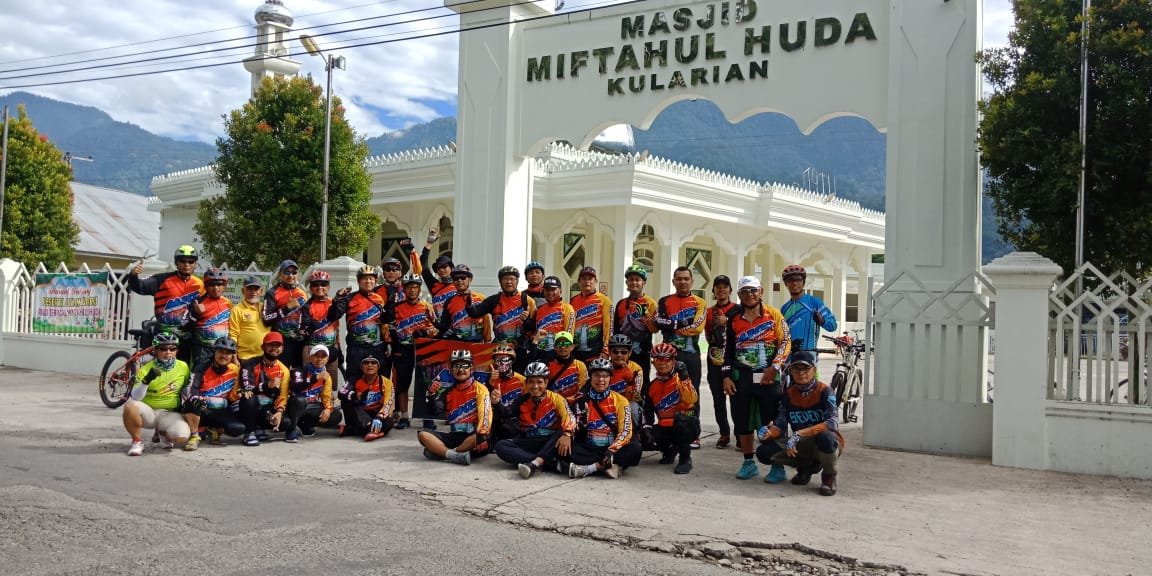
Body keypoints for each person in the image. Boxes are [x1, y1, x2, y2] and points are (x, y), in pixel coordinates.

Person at [721, 276, 791, 482]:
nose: (749, 295)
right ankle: (748, 462)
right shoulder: (733, 317)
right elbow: (728, 349)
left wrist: (775, 366)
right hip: (741, 375)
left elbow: (785, 341)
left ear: (761, 291)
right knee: (741, 419)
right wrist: (725, 376)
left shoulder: (774, 314)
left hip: (766, 375)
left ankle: (778, 466)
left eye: (753, 291)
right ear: (739, 295)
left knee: (772, 419)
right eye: (745, 291)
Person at [755, 351, 842, 496]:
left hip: (823, 441)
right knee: (763, 452)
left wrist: (800, 433)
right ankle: (805, 466)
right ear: (791, 372)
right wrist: (769, 432)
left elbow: (832, 423)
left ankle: (828, 476)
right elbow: (780, 425)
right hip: (800, 443)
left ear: (814, 370)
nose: (801, 373)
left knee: (827, 438)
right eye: (796, 369)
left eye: (805, 369)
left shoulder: (825, 391)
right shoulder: (787, 396)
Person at [494, 361, 576, 479]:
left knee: (561, 432)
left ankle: (535, 463)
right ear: (526, 383)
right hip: (529, 440)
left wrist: (567, 433)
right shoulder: (522, 400)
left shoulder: (557, 398)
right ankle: (546, 462)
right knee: (501, 446)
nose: (535, 386)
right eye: (531, 382)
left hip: (549, 441)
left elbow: (570, 417)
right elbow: (507, 414)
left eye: (539, 382)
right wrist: (497, 403)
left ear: (546, 382)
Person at [563, 358, 641, 479]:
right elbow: (574, 426)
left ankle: (592, 468)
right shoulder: (580, 400)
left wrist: (611, 450)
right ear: (590, 377)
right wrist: (576, 427)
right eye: (597, 375)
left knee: (635, 449)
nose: (601, 380)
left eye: (605, 376)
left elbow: (626, 431)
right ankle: (610, 466)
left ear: (610, 378)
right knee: (563, 447)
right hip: (591, 447)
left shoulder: (621, 400)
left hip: (612, 447)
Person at [126, 244, 205, 363]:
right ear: (176, 263)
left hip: (187, 335)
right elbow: (139, 286)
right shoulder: (162, 279)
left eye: (191, 261)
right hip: (165, 333)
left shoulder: (200, 284)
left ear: (195, 264)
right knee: (163, 368)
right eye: (182, 261)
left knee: (184, 369)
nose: (187, 264)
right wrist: (133, 275)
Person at [655, 266, 706, 448]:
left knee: (692, 394)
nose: (682, 282)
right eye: (679, 279)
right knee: (667, 392)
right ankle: (670, 431)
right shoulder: (664, 301)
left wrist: (672, 325)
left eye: (686, 279)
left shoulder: (700, 302)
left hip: (691, 355)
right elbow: (657, 321)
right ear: (673, 281)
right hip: (668, 356)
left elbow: (698, 327)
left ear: (692, 281)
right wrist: (682, 323)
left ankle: (694, 434)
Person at [122, 332, 193, 456]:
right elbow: (135, 397)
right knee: (130, 406)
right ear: (155, 350)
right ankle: (137, 441)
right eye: (163, 348)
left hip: (168, 412)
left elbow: (186, 388)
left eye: (172, 348)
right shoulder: (145, 369)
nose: (168, 352)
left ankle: (163, 432)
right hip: (149, 412)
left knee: (181, 436)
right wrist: (146, 381)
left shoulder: (183, 367)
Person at [418, 349, 492, 466]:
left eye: (464, 366)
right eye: (456, 366)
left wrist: (482, 434)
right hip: (454, 434)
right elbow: (436, 411)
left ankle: (442, 452)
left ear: (471, 368)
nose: (460, 369)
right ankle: (455, 456)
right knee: (423, 434)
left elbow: (486, 415)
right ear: (451, 369)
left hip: (473, 435)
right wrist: (431, 395)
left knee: (481, 436)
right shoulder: (448, 391)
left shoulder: (481, 389)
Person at [389, 273, 439, 429]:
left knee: (426, 384)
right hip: (403, 350)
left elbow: (437, 329)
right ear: (404, 289)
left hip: (423, 350)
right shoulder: (396, 308)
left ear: (419, 290)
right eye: (409, 287)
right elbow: (388, 327)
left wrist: (426, 333)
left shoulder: (427, 307)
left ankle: (427, 417)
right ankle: (404, 416)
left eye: (415, 288)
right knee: (402, 384)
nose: (412, 291)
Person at [642, 343, 700, 474]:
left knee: (682, 423)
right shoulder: (652, 386)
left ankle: (685, 459)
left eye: (666, 359)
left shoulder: (681, 379)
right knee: (644, 437)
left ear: (674, 361)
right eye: (657, 359)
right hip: (666, 426)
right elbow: (648, 412)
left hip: (687, 424)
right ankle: (670, 451)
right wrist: (646, 429)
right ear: (653, 362)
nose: (662, 363)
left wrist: (685, 378)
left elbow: (692, 400)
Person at [465, 265, 537, 372]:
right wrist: (469, 306)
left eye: (512, 279)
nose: (509, 282)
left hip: (520, 348)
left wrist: (526, 320)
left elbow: (534, 327)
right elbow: (476, 314)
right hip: (499, 349)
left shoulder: (527, 300)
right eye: (505, 279)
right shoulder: (494, 300)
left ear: (517, 281)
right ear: (500, 281)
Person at [331, 265, 390, 386]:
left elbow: (384, 323)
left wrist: (388, 342)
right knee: (353, 380)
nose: (368, 281)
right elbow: (334, 315)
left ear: (375, 281)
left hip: (376, 347)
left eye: (371, 278)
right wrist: (337, 299)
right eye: (364, 278)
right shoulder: (349, 298)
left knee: (378, 382)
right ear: (358, 281)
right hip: (356, 348)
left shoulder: (379, 299)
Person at [182, 336, 245, 447]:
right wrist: (196, 398)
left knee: (238, 429)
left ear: (232, 356)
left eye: (228, 353)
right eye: (221, 351)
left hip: (221, 410)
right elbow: (191, 388)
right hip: (202, 409)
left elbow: (233, 395)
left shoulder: (235, 370)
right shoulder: (202, 367)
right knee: (191, 401)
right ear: (214, 351)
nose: (224, 356)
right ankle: (194, 435)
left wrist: (240, 394)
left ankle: (212, 429)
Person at [278, 345, 343, 441]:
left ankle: (304, 426)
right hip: (294, 405)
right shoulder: (300, 370)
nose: (319, 359)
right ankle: (291, 430)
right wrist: (315, 378)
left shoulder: (326, 376)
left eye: (323, 357)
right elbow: (296, 386)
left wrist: (328, 409)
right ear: (310, 357)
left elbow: (326, 396)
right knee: (300, 400)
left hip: (312, 406)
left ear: (327, 359)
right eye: (316, 356)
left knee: (336, 415)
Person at [237, 332, 292, 445]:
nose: (274, 348)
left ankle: (259, 427)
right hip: (245, 406)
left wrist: (279, 412)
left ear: (282, 348)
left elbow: (283, 396)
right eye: (270, 345)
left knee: (285, 422)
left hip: (265, 409)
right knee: (249, 398)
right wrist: (266, 385)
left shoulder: (284, 370)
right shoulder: (249, 363)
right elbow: (247, 389)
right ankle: (249, 433)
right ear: (263, 347)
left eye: (278, 345)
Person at [704, 275, 737, 448]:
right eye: (718, 287)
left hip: (734, 360)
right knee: (718, 400)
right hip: (715, 360)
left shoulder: (738, 310)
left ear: (730, 290)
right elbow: (708, 334)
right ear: (714, 291)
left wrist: (728, 322)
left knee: (737, 400)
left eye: (725, 287)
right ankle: (724, 433)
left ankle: (740, 433)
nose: (721, 290)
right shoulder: (709, 311)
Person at [613, 264, 658, 393]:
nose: (634, 283)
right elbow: (616, 330)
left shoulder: (651, 303)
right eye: (631, 279)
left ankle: (643, 412)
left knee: (642, 386)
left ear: (644, 282)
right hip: (623, 354)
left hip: (642, 353)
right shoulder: (621, 303)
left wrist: (646, 317)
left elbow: (655, 329)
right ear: (627, 282)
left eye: (637, 280)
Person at [779, 264, 838, 354]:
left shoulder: (814, 302)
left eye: (798, 280)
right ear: (786, 284)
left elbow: (833, 326)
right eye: (790, 280)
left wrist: (822, 321)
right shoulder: (784, 308)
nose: (794, 283)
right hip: (788, 357)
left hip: (809, 356)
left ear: (803, 282)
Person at [262, 260, 309, 368]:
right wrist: (287, 308)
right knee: (281, 375)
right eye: (286, 272)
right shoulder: (272, 292)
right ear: (280, 274)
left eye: (294, 273)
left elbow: (306, 316)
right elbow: (266, 319)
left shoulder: (301, 293)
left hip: (299, 342)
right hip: (282, 343)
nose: (290, 276)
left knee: (299, 376)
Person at [338, 356, 395, 442]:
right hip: (360, 414)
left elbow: (389, 402)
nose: (370, 365)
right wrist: (354, 396)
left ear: (378, 366)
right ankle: (373, 431)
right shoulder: (354, 380)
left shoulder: (386, 382)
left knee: (390, 422)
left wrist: (380, 417)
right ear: (361, 367)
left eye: (373, 363)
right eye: (366, 363)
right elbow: (341, 393)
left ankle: (353, 430)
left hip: (376, 413)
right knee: (348, 403)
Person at [299, 270, 343, 383]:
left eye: (323, 284)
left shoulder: (334, 302)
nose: (319, 287)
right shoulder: (306, 306)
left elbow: (336, 328)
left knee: (330, 384)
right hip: (312, 348)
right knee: (310, 383)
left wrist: (340, 351)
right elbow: (303, 330)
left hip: (331, 347)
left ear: (328, 286)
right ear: (310, 287)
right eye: (315, 284)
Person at [189, 267, 232, 370]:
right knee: (199, 377)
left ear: (224, 286)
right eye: (212, 284)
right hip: (202, 348)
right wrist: (195, 313)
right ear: (206, 286)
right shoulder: (198, 302)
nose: (216, 288)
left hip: (222, 349)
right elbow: (187, 325)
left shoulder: (228, 303)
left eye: (219, 284)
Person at [569, 266, 612, 363]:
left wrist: (606, 350)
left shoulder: (604, 300)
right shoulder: (573, 300)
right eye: (584, 279)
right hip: (575, 352)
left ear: (596, 281)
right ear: (579, 281)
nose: (587, 281)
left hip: (595, 352)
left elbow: (609, 327)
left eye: (590, 279)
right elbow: (570, 325)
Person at [438, 264, 489, 343]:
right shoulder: (448, 302)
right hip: (456, 344)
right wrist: (434, 322)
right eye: (456, 278)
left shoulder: (481, 299)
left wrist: (487, 342)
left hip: (476, 344)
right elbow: (444, 328)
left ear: (470, 279)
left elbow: (487, 324)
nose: (459, 280)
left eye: (463, 277)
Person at [487, 343, 527, 440]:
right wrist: (490, 383)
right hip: (496, 416)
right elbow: (484, 402)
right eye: (498, 360)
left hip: (514, 418)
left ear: (512, 361)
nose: (501, 363)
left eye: (505, 360)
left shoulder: (522, 380)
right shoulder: (490, 379)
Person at [531, 276, 574, 364]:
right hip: (540, 354)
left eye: (553, 289)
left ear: (560, 291)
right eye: (547, 290)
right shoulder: (539, 310)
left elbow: (569, 334)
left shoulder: (567, 308)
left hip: (557, 355)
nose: (550, 292)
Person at [606, 333, 644, 430]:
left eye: (623, 352)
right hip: (607, 403)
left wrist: (630, 383)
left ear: (630, 353)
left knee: (633, 408)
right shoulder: (603, 367)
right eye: (615, 352)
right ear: (609, 352)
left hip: (628, 402)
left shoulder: (636, 369)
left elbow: (636, 398)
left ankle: (637, 435)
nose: (619, 355)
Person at [229, 275, 270, 361]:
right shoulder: (237, 309)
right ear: (243, 291)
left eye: (256, 289)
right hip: (245, 357)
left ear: (261, 291)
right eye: (249, 289)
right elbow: (233, 335)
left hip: (265, 357)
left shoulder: (267, 309)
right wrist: (234, 357)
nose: (253, 292)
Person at [418, 228, 456, 319]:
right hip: (439, 326)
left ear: (451, 268)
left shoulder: (459, 283)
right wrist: (429, 243)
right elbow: (423, 265)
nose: (442, 270)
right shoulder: (434, 285)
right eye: (439, 268)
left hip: (457, 325)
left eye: (444, 266)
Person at [547, 331, 588, 403]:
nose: (563, 347)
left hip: (576, 403)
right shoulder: (548, 366)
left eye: (566, 344)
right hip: (555, 404)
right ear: (555, 347)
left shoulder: (580, 365)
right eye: (559, 344)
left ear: (572, 347)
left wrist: (571, 400)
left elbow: (583, 388)